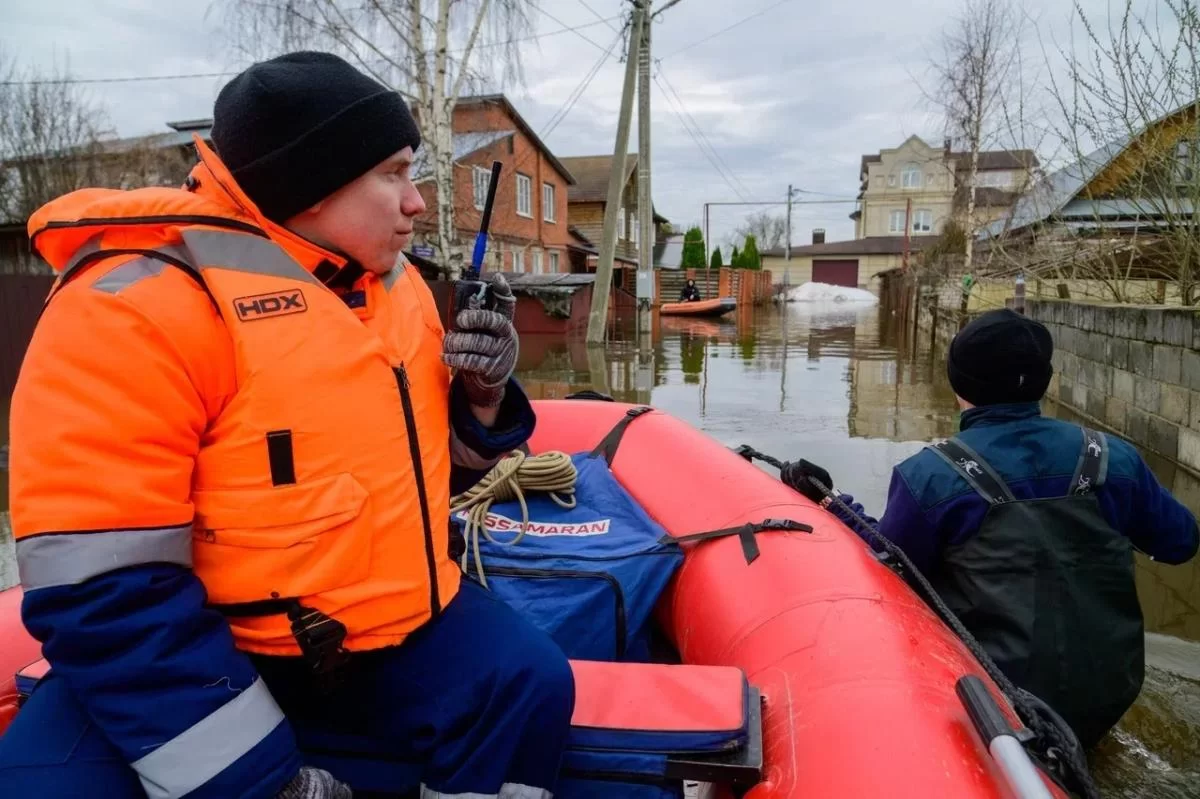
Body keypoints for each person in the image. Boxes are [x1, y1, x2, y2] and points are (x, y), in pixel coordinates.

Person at [0, 52, 574, 799]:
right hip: (218, 643)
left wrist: (484, 395)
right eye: (395, 174)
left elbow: (440, 470)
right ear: (313, 184)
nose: (417, 203)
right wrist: (260, 782)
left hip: (391, 623)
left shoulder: (394, 284)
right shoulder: (131, 306)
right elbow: (103, 586)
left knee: (530, 681)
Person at [786, 308, 1198, 749]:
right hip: (1112, 686)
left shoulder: (929, 475)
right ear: (1045, 379)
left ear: (958, 383)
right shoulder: (1114, 458)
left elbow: (893, 568)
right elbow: (1180, 543)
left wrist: (832, 502)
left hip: (996, 696)